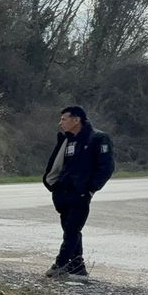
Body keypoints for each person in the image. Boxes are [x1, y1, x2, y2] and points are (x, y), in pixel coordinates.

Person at [42, 105, 115, 280]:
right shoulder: (67, 140)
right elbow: (57, 165)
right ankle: (77, 267)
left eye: (64, 119)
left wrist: (90, 189)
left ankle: (60, 265)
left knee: (72, 230)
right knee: (69, 229)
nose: (61, 123)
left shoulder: (98, 138)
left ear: (77, 120)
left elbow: (106, 168)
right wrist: (55, 187)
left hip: (81, 194)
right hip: (63, 193)